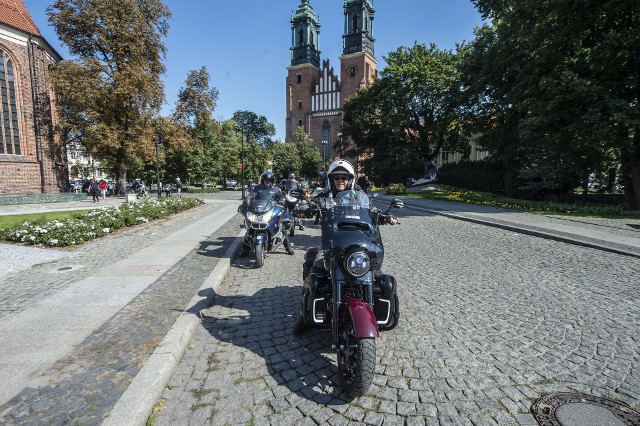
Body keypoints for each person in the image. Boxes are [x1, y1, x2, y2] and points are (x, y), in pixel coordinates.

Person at [314, 159, 398, 225]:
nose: (340, 181)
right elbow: (315, 202)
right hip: (333, 230)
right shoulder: (327, 195)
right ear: (332, 180)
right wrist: (305, 209)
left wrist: (385, 216)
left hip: (355, 228)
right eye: (337, 178)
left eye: (343, 178)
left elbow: (369, 208)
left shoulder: (357, 193)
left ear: (350, 180)